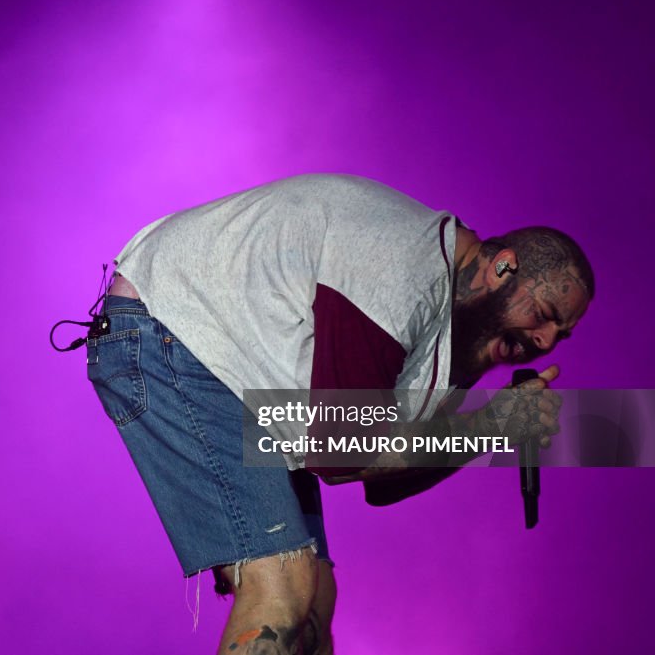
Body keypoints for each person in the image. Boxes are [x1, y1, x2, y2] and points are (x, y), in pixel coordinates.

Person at [84, 174, 593, 654]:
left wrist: (485, 433)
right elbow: (341, 452)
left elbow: (382, 479)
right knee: (281, 585)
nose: (545, 341)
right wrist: (488, 425)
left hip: (245, 370)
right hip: (171, 330)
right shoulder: (403, 269)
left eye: (560, 336)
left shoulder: (457, 337)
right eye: (543, 316)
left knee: (314, 606)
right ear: (502, 267)